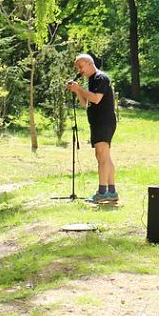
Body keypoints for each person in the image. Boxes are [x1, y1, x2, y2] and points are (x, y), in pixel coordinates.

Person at [66, 53, 118, 203]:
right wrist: (77, 91)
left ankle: (102, 192)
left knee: (102, 156)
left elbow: (96, 99)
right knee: (104, 156)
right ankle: (112, 192)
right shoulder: (92, 80)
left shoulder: (101, 78)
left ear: (90, 63)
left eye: (81, 66)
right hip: (97, 123)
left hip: (104, 122)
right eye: (78, 68)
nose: (79, 70)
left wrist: (79, 88)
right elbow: (86, 103)